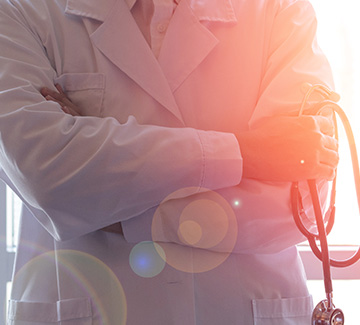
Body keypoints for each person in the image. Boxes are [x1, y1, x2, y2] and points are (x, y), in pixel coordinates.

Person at [0, 0, 338, 323]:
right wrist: (247, 152)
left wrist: (109, 207)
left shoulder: (281, 13)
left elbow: (298, 205)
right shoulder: (19, 12)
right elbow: (47, 175)